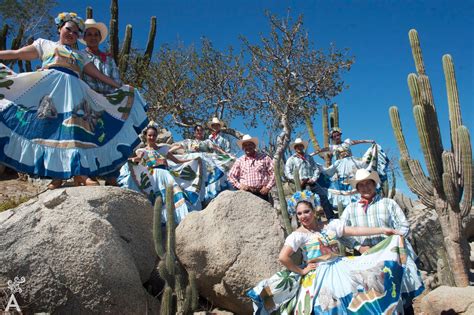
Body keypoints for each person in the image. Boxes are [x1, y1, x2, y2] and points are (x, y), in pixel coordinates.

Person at [0, 12, 148, 189]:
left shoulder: (81, 55)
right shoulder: (44, 44)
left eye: (76, 32)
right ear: (60, 28)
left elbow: (98, 75)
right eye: (68, 29)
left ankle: (80, 174)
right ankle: (57, 176)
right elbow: (17, 53)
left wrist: (120, 86)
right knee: (52, 132)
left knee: (74, 133)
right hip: (50, 90)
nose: (71, 34)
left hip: (75, 92)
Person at [247, 191, 424, 314]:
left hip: (340, 267)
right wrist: (301, 271)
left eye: (306, 211)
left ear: (314, 210)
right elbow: (283, 257)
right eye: (299, 214)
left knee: (362, 296)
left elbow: (355, 231)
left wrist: (383, 230)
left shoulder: (331, 225)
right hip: (320, 274)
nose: (303, 216)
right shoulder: (298, 235)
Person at [339, 168, 421, 313]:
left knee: (398, 293)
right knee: (374, 298)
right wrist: (358, 246)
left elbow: (403, 226)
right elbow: (340, 232)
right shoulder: (350, 209)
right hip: (366, 257)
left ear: (374, 184)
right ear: (357, 188)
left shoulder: (388, 203)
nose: (365, 187)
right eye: (361, 185)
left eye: (368, 183)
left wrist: (391, 243)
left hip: (390, 256)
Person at [117, 125, 191, 223]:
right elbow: (138, 159)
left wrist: (193, 159)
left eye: (154, 135)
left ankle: (178, 219)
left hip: (165, 174)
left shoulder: (164, 149)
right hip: (153, 176)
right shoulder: (142, 151)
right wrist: (132, 159)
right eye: (150, 135)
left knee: (175, 193)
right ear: (146, 136)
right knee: (157, 199)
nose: (152, 138)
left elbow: (177, 161)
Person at [79, 18, 122, 186]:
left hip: (108, 101)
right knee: (89, 137)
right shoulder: (79, 56)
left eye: (95, 34)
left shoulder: (108, 59)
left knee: (111, 136)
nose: (92, 37)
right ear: (84, 37)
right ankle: (89, 174)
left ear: (99, 37)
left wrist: (119, 93)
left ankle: (111, 175)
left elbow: (116, 79)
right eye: (89, 34)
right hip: (88, 100)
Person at [311, 127, 382, 208]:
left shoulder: (347, 142)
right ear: (332, 138)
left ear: (340, 135)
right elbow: (321, 150)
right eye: (334, 136)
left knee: (361, 171)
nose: (337, 137)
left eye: (338, 135)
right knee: (331, 175)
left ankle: (365, 201)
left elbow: (357, 142)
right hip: (340, 165)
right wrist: (311, 154)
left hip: (351, 163)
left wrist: (369, 141)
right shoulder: (332, 147)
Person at [169, 124, 235, 205]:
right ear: (194, 132)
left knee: (207, 179)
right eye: (197, 130)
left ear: (203, 132)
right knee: (195, 181)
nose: (199, 132)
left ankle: (207, 198)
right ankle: (196, 200)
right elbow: (179, 146)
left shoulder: (207, 142)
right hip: (193, 165)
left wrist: (226, 154)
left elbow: (216, 148)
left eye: (201, 130)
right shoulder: (189, 142)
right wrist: (168, 153)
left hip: (205, 164)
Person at [284, 138, 334, 219]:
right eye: (297, 146)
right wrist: (296, 180)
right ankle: (302, 220)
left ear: (303, 147)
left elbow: (316, 169)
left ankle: (330, 217)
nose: (299, 147)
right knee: (302, 202)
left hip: (310, 181)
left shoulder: (309, 157)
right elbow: (287, 172)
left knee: (323, 195)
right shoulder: (291, 159)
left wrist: (313, 179)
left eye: (301, 146)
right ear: (295, 148)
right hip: (300, 184)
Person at [228, 134, 275, 202]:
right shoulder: (239, 160)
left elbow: (274, 173)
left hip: (262, 192)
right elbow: (231, 176)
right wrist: (240, 186)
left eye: (250, 144)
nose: (248, 147)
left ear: (254, 146)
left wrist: (268, 187)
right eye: (245, 145)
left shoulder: (264, 158)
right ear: (243, 148)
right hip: (246, 193)